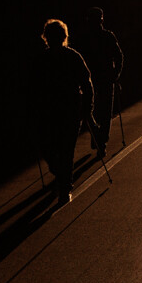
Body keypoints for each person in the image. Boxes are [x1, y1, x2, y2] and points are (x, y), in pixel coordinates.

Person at [33, 19, 99, 204]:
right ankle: (62, 177)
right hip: (53, 111)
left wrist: (87, 108)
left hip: (67, 110)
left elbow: (86, 83)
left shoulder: (70, 56)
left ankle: (64, 188)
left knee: (62, 149)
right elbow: (33, 87)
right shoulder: (44, 59)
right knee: (55, 149)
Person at [74, 7, 124, 157]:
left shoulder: (84, 38)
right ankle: (100, 139)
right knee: (104, 112)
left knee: (91, 111)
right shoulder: (107, 36)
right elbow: (119, 56)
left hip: (92, 80)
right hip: (101, 79)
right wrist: (116, 74)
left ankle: (98, 138)